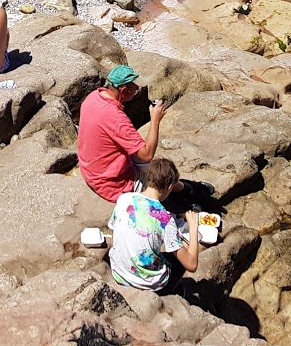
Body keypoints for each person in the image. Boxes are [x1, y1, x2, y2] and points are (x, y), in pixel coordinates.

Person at [78, 64, 173, 203]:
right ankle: (180, 193)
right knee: (165, 179)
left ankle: (180, 187)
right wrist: (155, 120)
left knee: (150, 166)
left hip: (91, 169)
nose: (137, 91)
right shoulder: (115, 118)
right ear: (124, 90)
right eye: (135, 88)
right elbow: (146, 155)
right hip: (112, 184)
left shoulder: (93, 97)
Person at [107, 157, 203, 294]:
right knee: (179, 263)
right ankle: (170, 291)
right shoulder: (165, 219)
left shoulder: (124, 199)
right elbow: (192, 265)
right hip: (147, 283)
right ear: (170, 187)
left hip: (119, 272)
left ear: (148, 178)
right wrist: (193, 229)